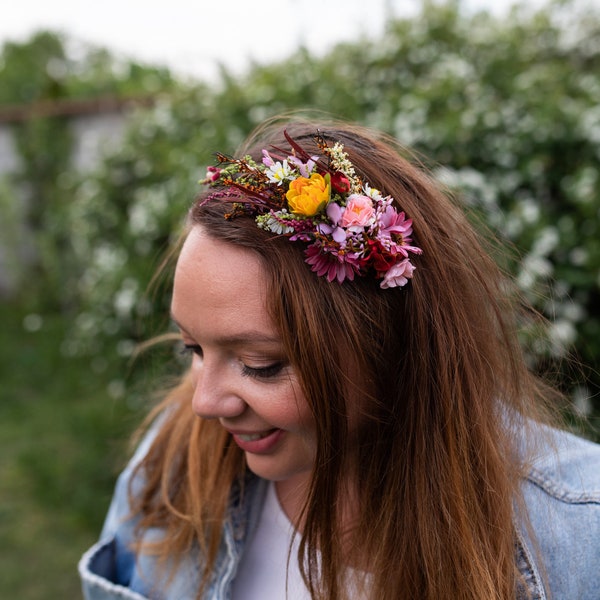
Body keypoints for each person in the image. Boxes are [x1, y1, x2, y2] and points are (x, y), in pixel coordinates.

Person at [79, 117, 600, 600]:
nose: (204, 404)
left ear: (392, 344)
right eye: (192, 348)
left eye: (261, 364)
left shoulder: (579, 532)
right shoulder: (173, 465)